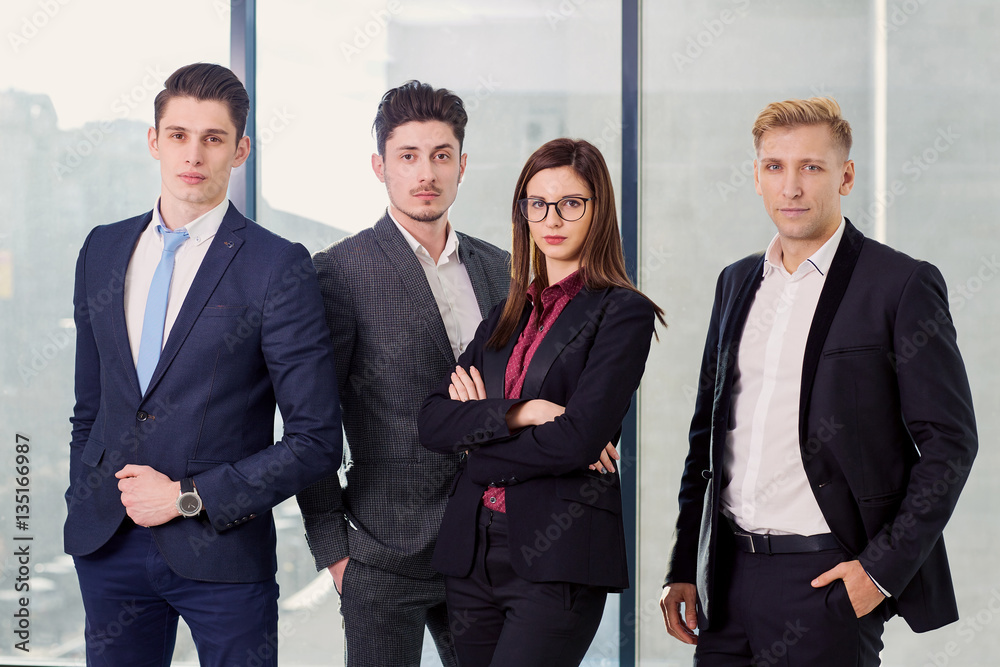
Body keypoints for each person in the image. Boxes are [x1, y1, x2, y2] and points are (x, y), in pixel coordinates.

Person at [660, 97, 978, 666]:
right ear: (756, 177)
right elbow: (704, 435)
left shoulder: (900, 285)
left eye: (812, 167)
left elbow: (951, 443)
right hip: (727, 580)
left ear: (846, 176)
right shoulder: (735, 283)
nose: (792, 187)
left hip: (825, 580)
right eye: (775, 167)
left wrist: (878, 573)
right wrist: (686, 563)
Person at [65, 63, 342, 667]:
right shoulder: (102, 248)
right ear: (154, 141)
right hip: (107, 547)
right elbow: (91, 407)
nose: (194, 154)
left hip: (222, 554)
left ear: (240, 150)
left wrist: (187, 498)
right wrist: (81, 497)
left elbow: (316, 440)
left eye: (214, 138)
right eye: (179, 135)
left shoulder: (276, 266)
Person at [418, 138, 665, 666]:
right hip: (472, 553)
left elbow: (576, 441)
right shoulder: (507, 314)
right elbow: (433, 419)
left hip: (555, 557)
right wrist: (520, 413)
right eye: (537, 203)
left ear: (598, 211)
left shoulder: (622, 313)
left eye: (571, 203)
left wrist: (476, 450)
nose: (552, 218)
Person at [295, 80, 510, 667]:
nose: (426, 173)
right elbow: (311, 418)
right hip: (382, 552)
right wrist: (334, 549)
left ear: (462, 165)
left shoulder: (502, 270)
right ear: (379, 166)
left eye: (441, 156)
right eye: (408, 156)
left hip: (488, 546)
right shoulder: (340, 271)